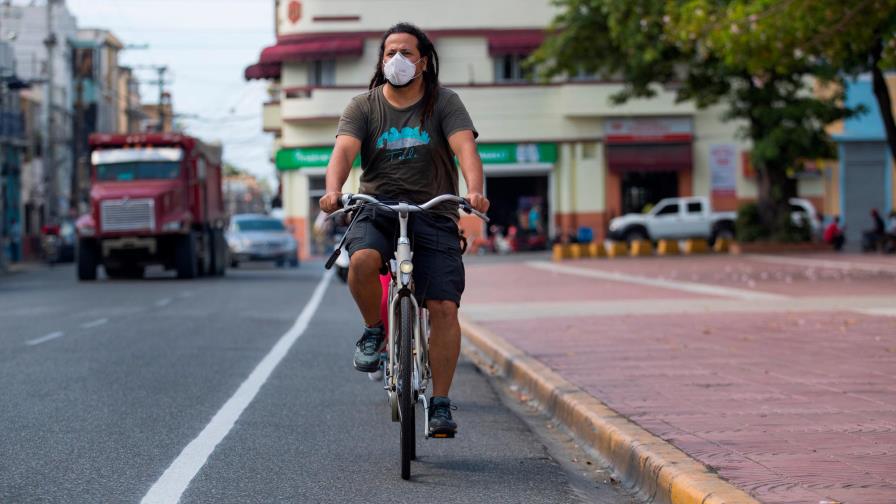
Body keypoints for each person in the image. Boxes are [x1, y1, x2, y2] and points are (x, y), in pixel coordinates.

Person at [319, 23, 489, 437]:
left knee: (445, 307)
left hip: (434, 211)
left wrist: (476, 191)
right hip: (377, 207)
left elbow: (465, 146)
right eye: (390, 52)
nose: (398, 59)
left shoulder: (444, 102)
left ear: (424, 61)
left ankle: (442, 403)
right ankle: (373, 331)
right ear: (381, 60)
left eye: (407, 53)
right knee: (361, 261)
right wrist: (332, 190)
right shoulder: (363, 106)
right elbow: (343, 150)